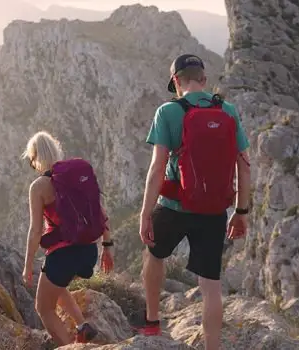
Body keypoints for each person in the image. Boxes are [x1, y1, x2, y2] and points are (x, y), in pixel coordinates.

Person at [137, 54, 251, 349]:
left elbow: (157, 167)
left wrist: (146, 213)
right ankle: (212, 345)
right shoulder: (227, 110)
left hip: (173, 206)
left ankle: (152, 322)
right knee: (211, 284)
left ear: (176, 81)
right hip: (214, 210)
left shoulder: (168, 112)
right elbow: (244, 164)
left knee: (153, 254)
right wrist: (241, 211)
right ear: (203, 79)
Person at [20, 131, 114, 346]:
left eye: (31, 160)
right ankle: (82, 325)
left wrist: (26, 266)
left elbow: (35, 231)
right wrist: (107, 247)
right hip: (89, 251)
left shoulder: (39, 187)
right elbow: (101, 213)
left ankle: (68, 346)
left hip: (64, 255)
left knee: (43, 308)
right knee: (56, 283)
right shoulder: (76, 178)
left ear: (35, 157)